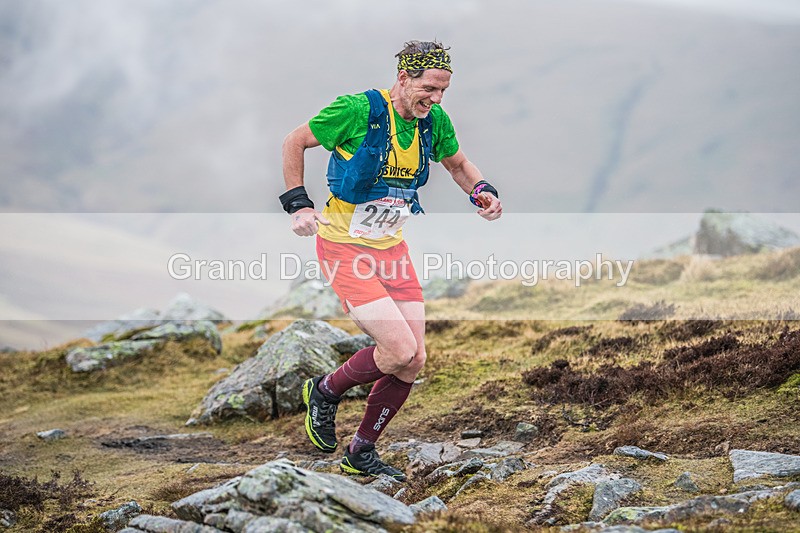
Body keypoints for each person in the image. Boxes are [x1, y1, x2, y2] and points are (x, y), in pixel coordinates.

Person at [280, 40, 502, 481]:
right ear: (404, 78)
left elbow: (458, 165)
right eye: (429, 89)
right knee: (397, 349)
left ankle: (361, 449)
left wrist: (483, 192)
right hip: (344, 247)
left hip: (392, 251)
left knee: (414, 359)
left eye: (443, 92)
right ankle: (324, 392)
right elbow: (295, 141)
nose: (436, 100)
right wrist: (299, 205)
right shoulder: (356, 110)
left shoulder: (433, 121)